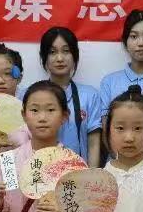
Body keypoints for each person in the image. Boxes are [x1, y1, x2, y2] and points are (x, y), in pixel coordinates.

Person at [0, 81, 73, 212]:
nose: (42, 118)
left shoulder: (72, 165)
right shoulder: (9, 162)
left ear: (64, 116)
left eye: (51, 110)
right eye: (34, 110)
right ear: (24, 115)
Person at [38, 26, 104, 166]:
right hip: (42, 172)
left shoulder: (89, 95)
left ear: (75, 56)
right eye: (52, 52)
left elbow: (93, 143)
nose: (60, 58)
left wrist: (91, 175)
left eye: (66, 51)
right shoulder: (33, 95)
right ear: (44, 57)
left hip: (80, 174)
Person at [98, 10, 143, 109]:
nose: (141, 43)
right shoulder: (109, 82)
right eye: (134, 36)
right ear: (125, 42)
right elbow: (105, 118)